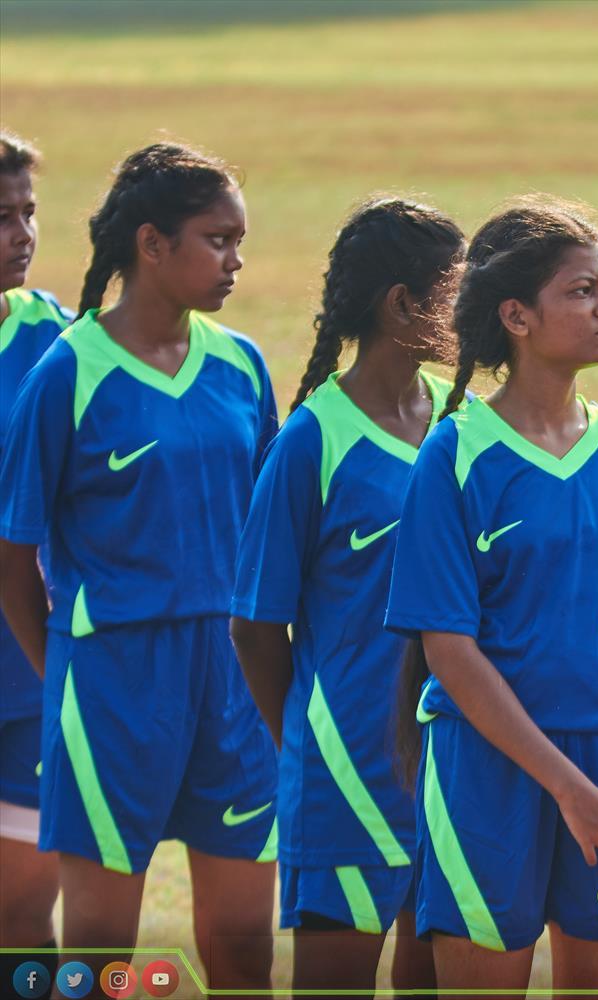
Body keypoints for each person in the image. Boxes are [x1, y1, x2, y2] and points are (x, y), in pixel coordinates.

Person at [0, 142, 279, 987]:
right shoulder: (67, 374)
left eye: (240, 240)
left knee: (241, 942)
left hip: (232, 684)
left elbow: (268, 538)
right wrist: (71, 676)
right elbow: (15, 558)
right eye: (217, 240)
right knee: (95, 950)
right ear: (151, 244)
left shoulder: (240, 365)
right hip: (114, 682)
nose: (236, 260)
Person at [384, 199, 598, 995]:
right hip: (490, 771)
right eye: (581, 291)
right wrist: (568, 788)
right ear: (517, 315)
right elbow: (448, 653)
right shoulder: (455, 455)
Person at [231, 198, 464, 996]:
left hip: (449, 755)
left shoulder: (458, 422)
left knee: (430, 974)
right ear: (403, 305)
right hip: (344, 768)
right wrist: (307, 740)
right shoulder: (311, 440)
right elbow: (256, 626)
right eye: (457, 291)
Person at [0, 129, 71, 974]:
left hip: (31, 677)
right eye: (1, 217)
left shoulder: (61, 343)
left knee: (23, 915)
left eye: (29, 213)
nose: (21, 234)